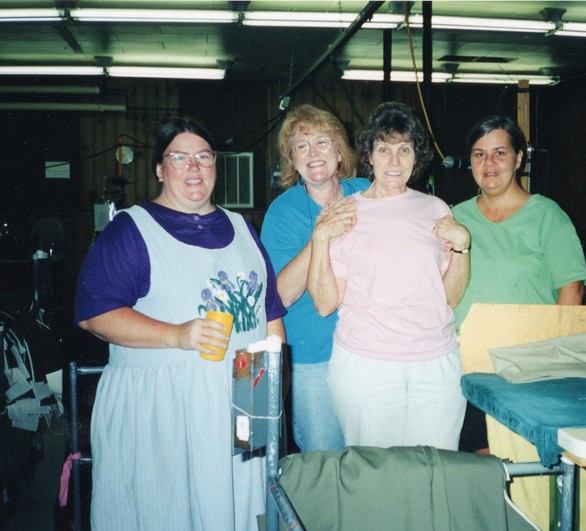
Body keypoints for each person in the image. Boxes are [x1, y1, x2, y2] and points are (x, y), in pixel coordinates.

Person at [73, 117, 287, 531]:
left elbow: (270, 315)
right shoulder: (132, 230)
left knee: (243, 504)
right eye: (179, 158)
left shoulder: (243, 227)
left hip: (247, 392)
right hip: (163, 404)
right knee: (167, 507)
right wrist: (176, 334)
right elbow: (94, 315)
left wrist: (269, 404)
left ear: (216, 165)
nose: (194, 167)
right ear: (159, 169)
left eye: (204, 157)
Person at [307, 101, 470, 450]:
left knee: (435, 472)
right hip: (368, 366)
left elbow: (450, 296)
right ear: (370, 155)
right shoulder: (347, 212)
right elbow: (324, 303)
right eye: (384, 149)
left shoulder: (436, 209)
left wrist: (463, 248)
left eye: (403, 150)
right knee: (376, 478)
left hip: (436, 366)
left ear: (416, 156)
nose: (394, 161)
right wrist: (320, 238)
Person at [452, 114, 586, 451]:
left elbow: (572, 290)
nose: (489, 163)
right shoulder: (454, 216)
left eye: (500, 152)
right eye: (479, 154)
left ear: (519, 158)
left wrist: (547, 359)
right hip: (464, 365)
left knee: (513, 461)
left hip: (526, 369)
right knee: (471, 466)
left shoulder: (548, 216)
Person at [261, 104, 369, 452]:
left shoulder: (369, 192)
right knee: (325, 465)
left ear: (340, 151)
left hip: (374, 351)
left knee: (377, 461)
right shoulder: (283, 211)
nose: (313, 153)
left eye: (322, 142)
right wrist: (321, 232)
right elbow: (281, 295)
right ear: (291, 161)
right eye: (301, 147)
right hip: (315, 360)